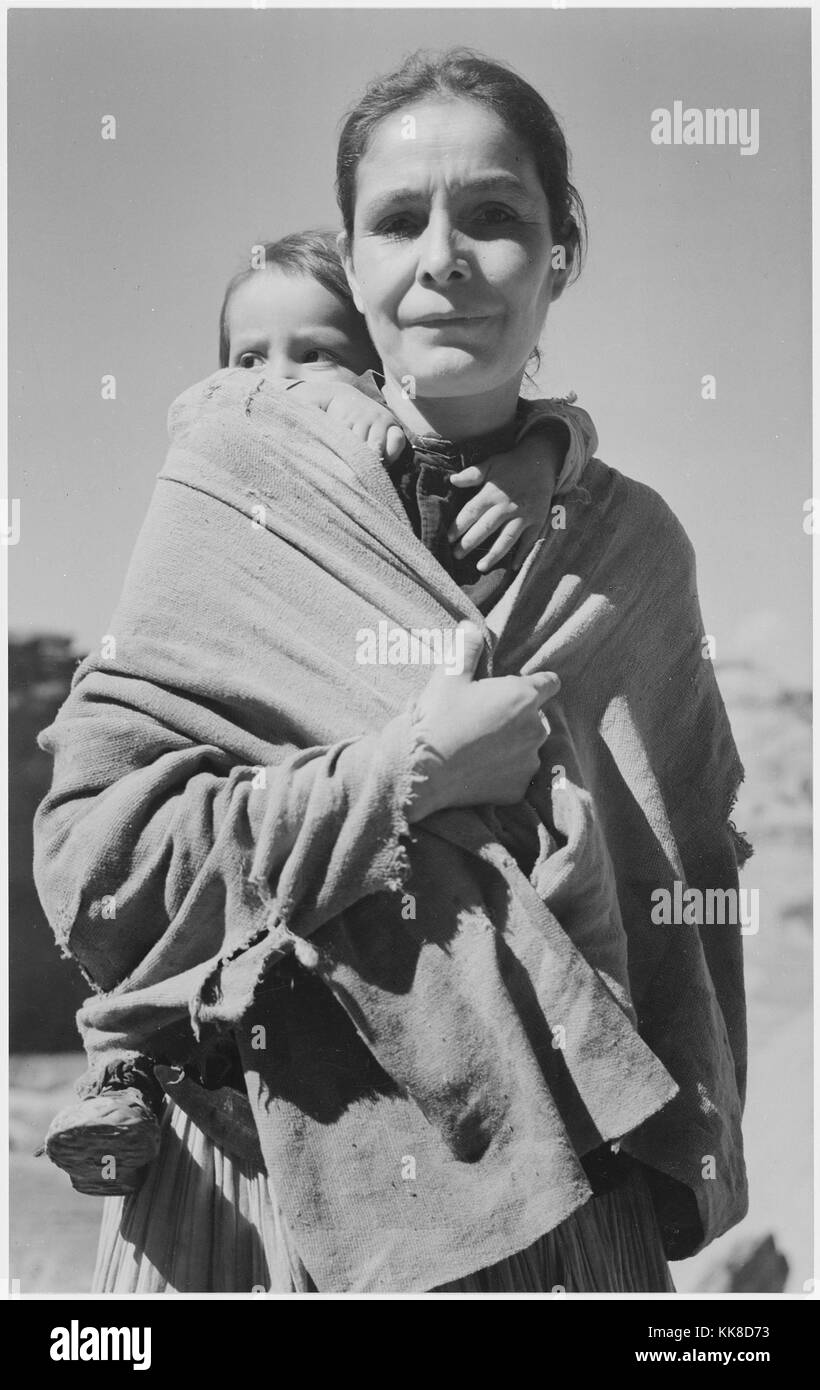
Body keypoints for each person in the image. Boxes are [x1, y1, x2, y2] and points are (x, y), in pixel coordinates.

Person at [34, 49, 748, 1294]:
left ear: (561, 250)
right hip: (243, 1199)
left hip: (560, 1205)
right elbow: (97, 874)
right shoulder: (230, 484)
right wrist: (407, 774)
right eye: (400, 219)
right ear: (353, 259)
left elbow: (684, 902)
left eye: (494, 216)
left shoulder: (627, 552)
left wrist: (699, 1164)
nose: (444, 257)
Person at [41, 227, 596, 1196]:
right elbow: (210, 411)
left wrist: (546, 451)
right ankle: (121, 1063)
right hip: (223, 793)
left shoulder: (408, 466)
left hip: (355, 836)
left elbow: (532, 431)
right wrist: (311, 408)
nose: (278, 377)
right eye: (249, 354)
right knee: (165, 913)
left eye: (316, 353)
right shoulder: (218, 445)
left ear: (381, 367)